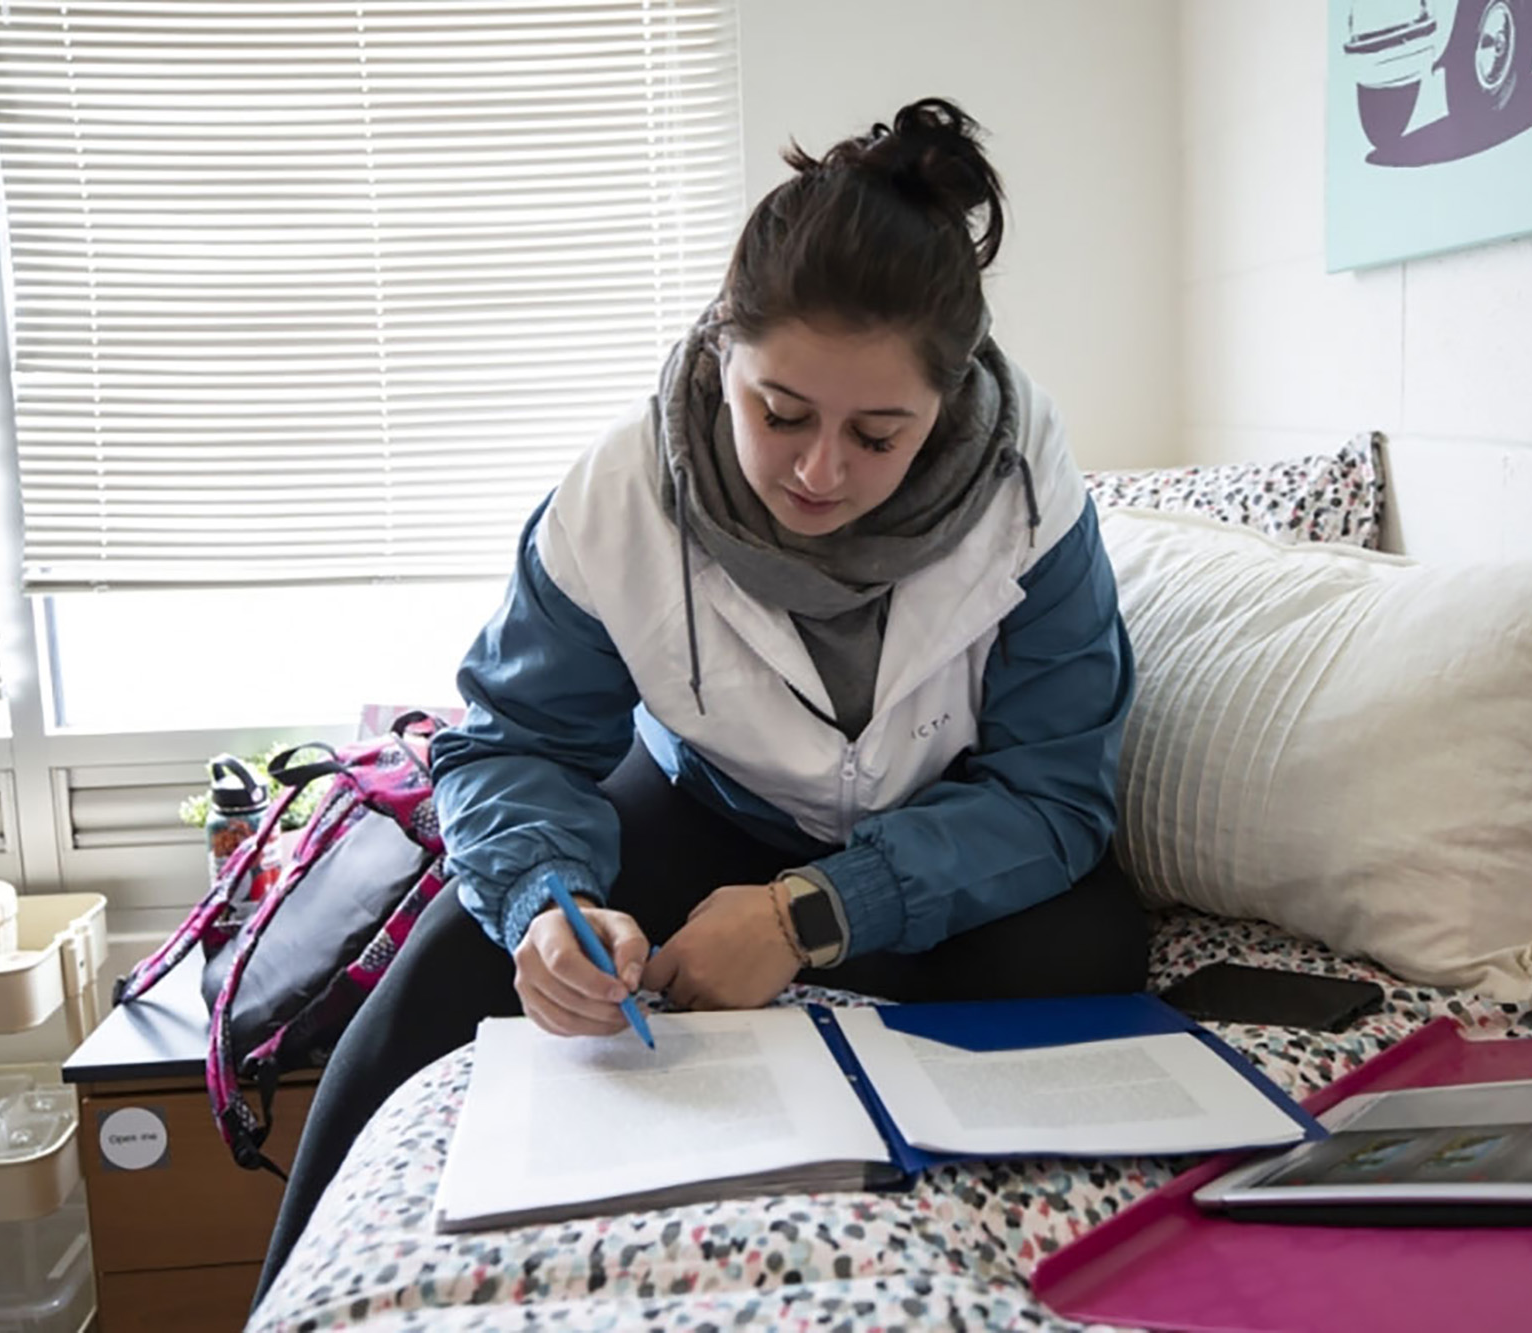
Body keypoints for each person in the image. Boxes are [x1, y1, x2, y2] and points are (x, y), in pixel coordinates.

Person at [253, 96, 1147, 1306]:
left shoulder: (1033, 499)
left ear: (949, 406)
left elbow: (1051, 796)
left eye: (879, 435)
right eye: (778, 414)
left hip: (953, 831)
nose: (820, 473)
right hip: (704, 806)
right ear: (723, 351)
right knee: (454, 961)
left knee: (1083, 954)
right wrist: (546, 905)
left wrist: (809, 916)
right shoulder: (613, 500)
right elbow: (510, 742)